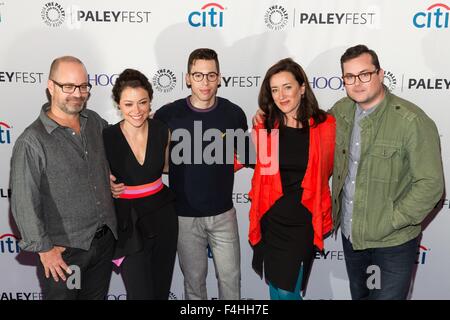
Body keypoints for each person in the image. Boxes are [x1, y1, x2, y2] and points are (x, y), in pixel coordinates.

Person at [112, 48, 248, 300]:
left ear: (220, 77)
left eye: (211, 75)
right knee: (194, 284)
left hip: (223, 215)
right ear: (187, 78)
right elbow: (148, 156)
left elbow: (248, 155)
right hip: (184, 217)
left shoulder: (234, 114)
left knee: (231, 282)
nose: (204, 82)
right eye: (198, 75)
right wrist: (110, 178)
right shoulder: (167, 115)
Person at [330, 44, 444, 299]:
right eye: (349, 76)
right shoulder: (341, 112)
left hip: (392, 244)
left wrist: (391, 221)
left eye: (365, 74)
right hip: (353, 240)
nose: (357, 82)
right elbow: (309, 134)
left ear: (380, 74)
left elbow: (431, 185)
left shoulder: (411, 121)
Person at [10, 56, 117, 300]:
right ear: (50, 86)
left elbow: (116, 151)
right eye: (68, 86)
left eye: (83, 87)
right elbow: (24, 202)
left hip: (102, 245)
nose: (77, 93)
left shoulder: (94, 122)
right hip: (66, 255)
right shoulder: (32, 141)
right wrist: (45, 250)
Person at [248, 58, 335, 300]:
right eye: (275, 90)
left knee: (287, 292)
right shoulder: (265, 126)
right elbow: (256, 170)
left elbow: (332, 170)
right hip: (271, 221)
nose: (281, 95)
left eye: (287, 87)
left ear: (302, 88)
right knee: (276, 290)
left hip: (302, 224)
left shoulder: (326, 126)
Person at [102, 69, 178, 300]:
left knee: (160, 290)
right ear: (118, 104)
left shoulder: (162, 130)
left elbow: (166, 167)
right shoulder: (107, 136)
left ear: (150, 102)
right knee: (139, 294)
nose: (137, 111)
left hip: (163, 216)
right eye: (129, 104)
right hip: (128, 222)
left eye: (142, 103)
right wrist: (106, 182)